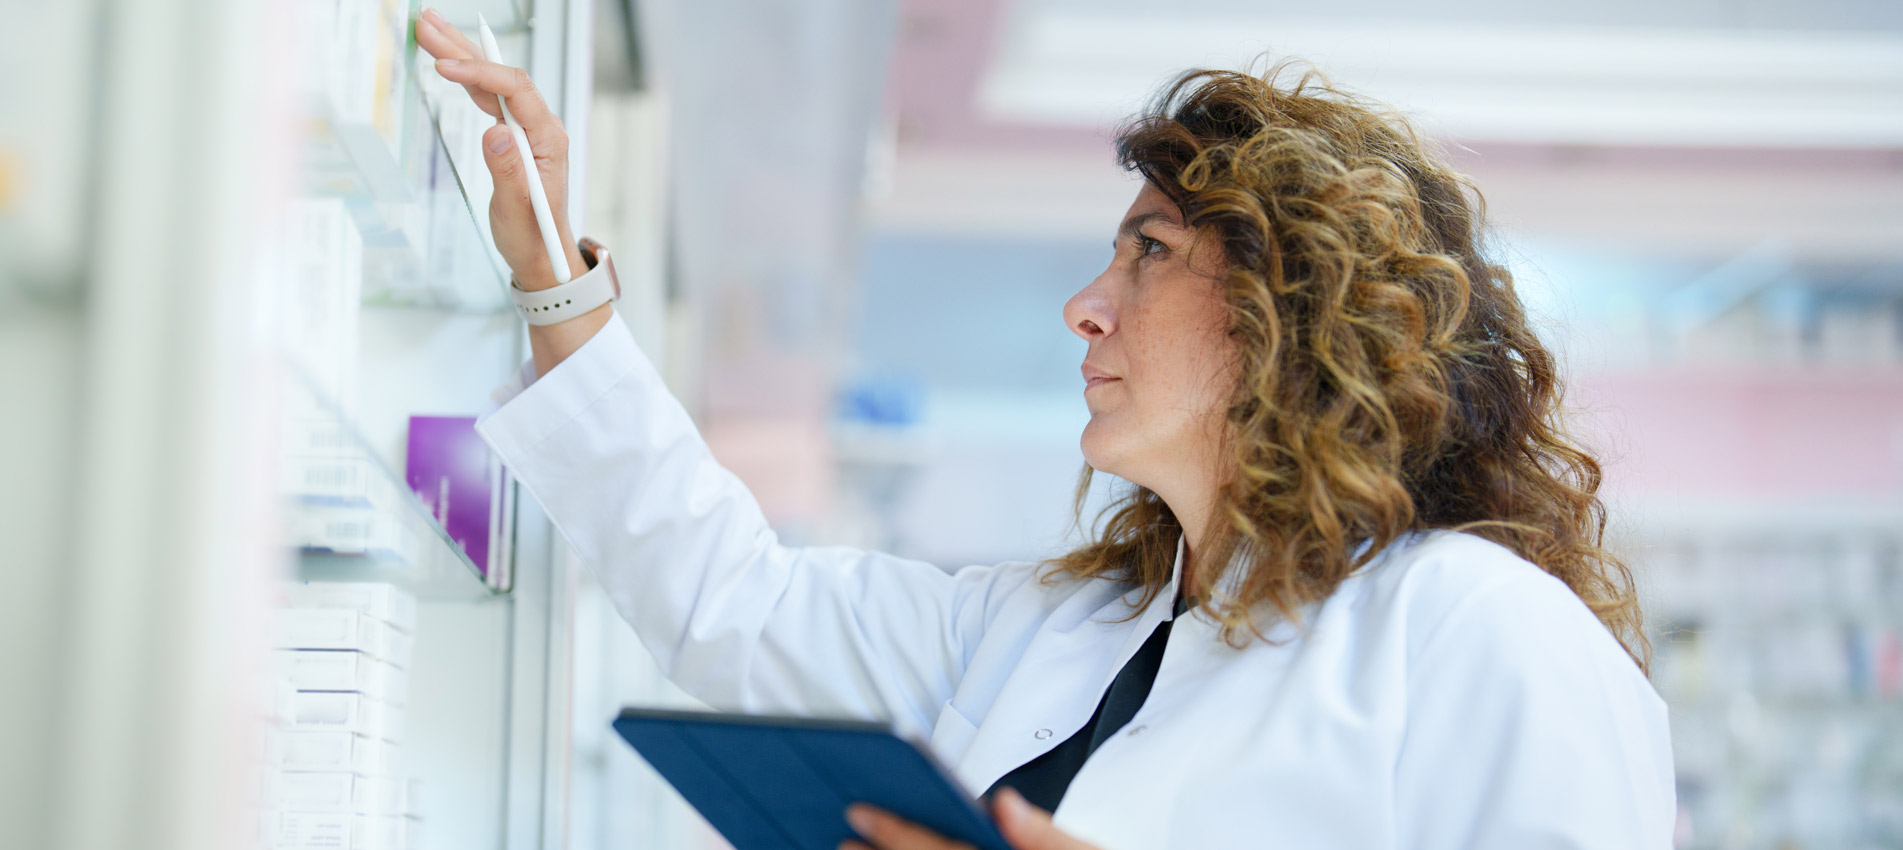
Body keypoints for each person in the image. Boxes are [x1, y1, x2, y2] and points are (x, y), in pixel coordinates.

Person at [416, 8, 1674, 849]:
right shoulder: (1047, 633)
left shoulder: (1477, 632)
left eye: (1150, 253)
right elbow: (731, 600)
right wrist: (556, 281)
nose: (1086, 307)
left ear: (1291, 308)